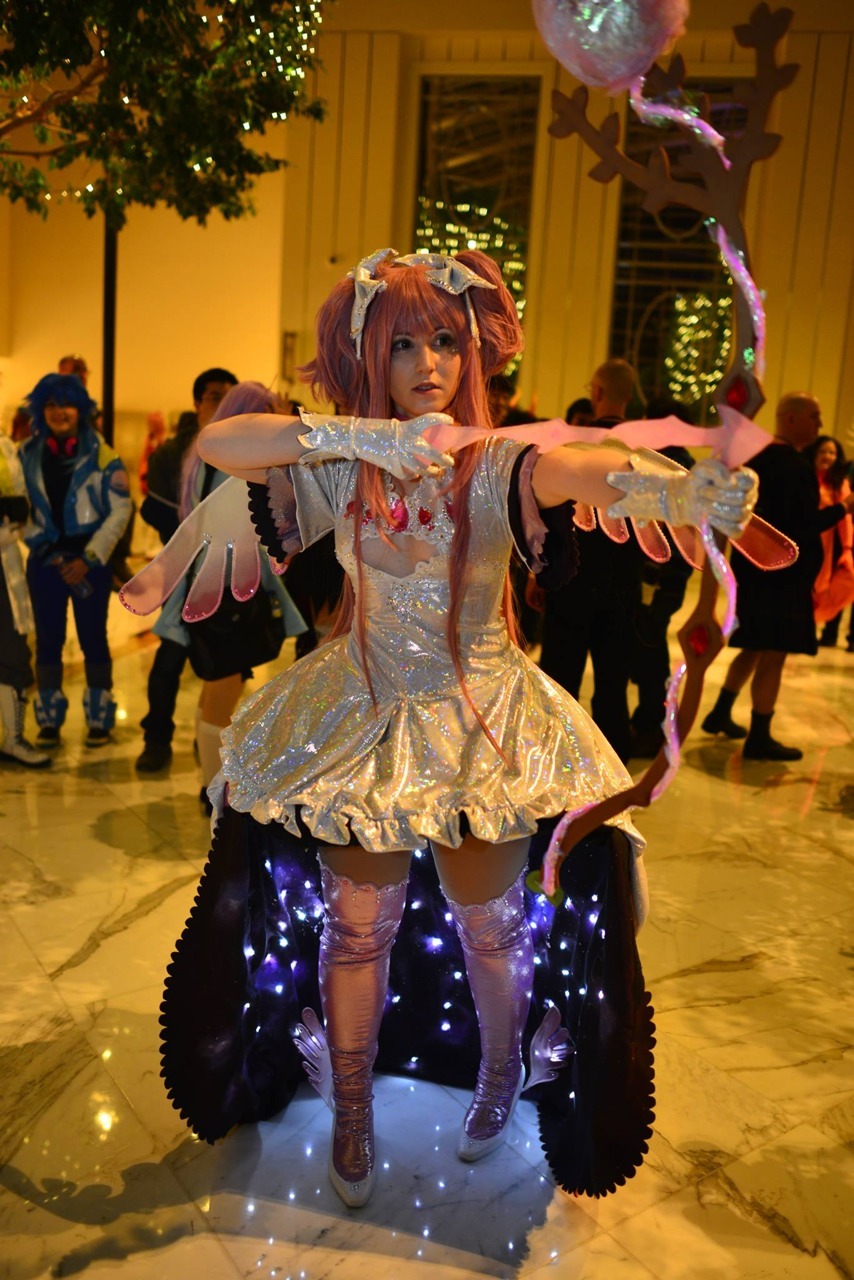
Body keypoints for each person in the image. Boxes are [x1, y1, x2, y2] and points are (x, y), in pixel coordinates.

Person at [146, 249, 756, 1208]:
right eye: (403, 346)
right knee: (354, 932)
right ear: (370, 361)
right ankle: (350, 1105)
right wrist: (360, 439)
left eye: (445, 341)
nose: (428, 362)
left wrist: (671, 491)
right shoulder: (341, 461)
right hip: (360, 714)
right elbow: (229, 445)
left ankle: (502, 1075)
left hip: (482, 722)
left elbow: (581, 467)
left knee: (495, 930)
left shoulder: (501, 461)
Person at [155, 381, 306, 806]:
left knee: (216, 690)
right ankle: (213, 789)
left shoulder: (207, 457)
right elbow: (252, 532)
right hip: (224, 589)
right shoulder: (232, 465)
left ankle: (212, 784)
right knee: (221, 694)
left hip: (212, 585)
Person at [702, 393, 854, 759]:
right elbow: (800, 526)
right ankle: (760, 735)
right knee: (773, 654)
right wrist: (843, 509)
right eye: (813, 416)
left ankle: (720, 712)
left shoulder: (759, 458)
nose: (819, 425)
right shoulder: (792, 465)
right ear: (790, 419)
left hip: (755, 571)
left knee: (755, 644)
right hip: (781, 577)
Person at [538, 358, 643, 763]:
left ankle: (559, 764)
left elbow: (550, 513)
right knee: (613, 683)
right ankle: (613, 772)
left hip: (572, 577)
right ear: (629, 396)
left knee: (561, 681)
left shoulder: (573, 446)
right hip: (624, 581)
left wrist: (538, 573)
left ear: (596, 393)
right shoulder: (643, 449)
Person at [19, 373, 131, 746]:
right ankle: (49, 720)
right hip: (45, 562)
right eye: (50, 404)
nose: (59, 412)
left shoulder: (103, 454)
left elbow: (120, 510)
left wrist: (90, 556)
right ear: (40, 410)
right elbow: (18, 511)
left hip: (90, 564)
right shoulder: (25, 454)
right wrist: (41, 546)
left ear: (80, 409)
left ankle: (100, 719)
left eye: (66, 403)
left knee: (93, 639)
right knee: (47, 641)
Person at [135, 368, 238, 772]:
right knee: (169, 662)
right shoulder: (172, 453)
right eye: (214, 397)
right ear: (197, 403)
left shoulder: (238, 449)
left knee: (226, 668)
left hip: (227, 578)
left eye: (229, 398)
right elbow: (157, 511)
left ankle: (206, 740)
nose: (221, 406)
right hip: (182, 575)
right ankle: (157, 739)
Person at [628, 396, 695, 758]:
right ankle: (650, 720)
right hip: (665, 578)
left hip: (657, 578)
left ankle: (652, 724)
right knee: (648, 648)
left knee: (649, 650)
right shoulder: (680, 467)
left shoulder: (668, 469)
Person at [0, 432, 50, 767]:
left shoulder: (6, 448)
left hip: (5, 563)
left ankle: (11, 738)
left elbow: (24, 510)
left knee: (13, 651)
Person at [802, 435, 854, 646]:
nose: (827, 456)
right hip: (804, 541)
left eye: (831, 452)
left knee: (825, 587)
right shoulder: (805, 477)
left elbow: (845, 518)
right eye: (823, 451)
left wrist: (848, 548)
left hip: (828, 545)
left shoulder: (838, 483)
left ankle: (816, 628)